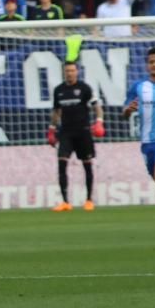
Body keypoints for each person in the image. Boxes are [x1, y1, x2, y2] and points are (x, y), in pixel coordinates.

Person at [48, 61, 103, 212]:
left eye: (72, 70)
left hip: (83, 132)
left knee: (87, 165)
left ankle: (89, 200)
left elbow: (96, 107)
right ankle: (65, 202)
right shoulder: (59, 90)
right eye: (67, 71)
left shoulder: (84, 88)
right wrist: (52, 129)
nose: (70, 73)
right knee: (61, 163)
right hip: (66, 132)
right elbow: (56, 111)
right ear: (64, 72)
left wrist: (99, 122)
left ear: (77, 72)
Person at [123, 47, 155, 211]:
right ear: (147, 66)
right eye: (151, 62)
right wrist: (128, 110)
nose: (154, 65)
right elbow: (125, 112)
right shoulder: (138, 87)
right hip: (147, 143)